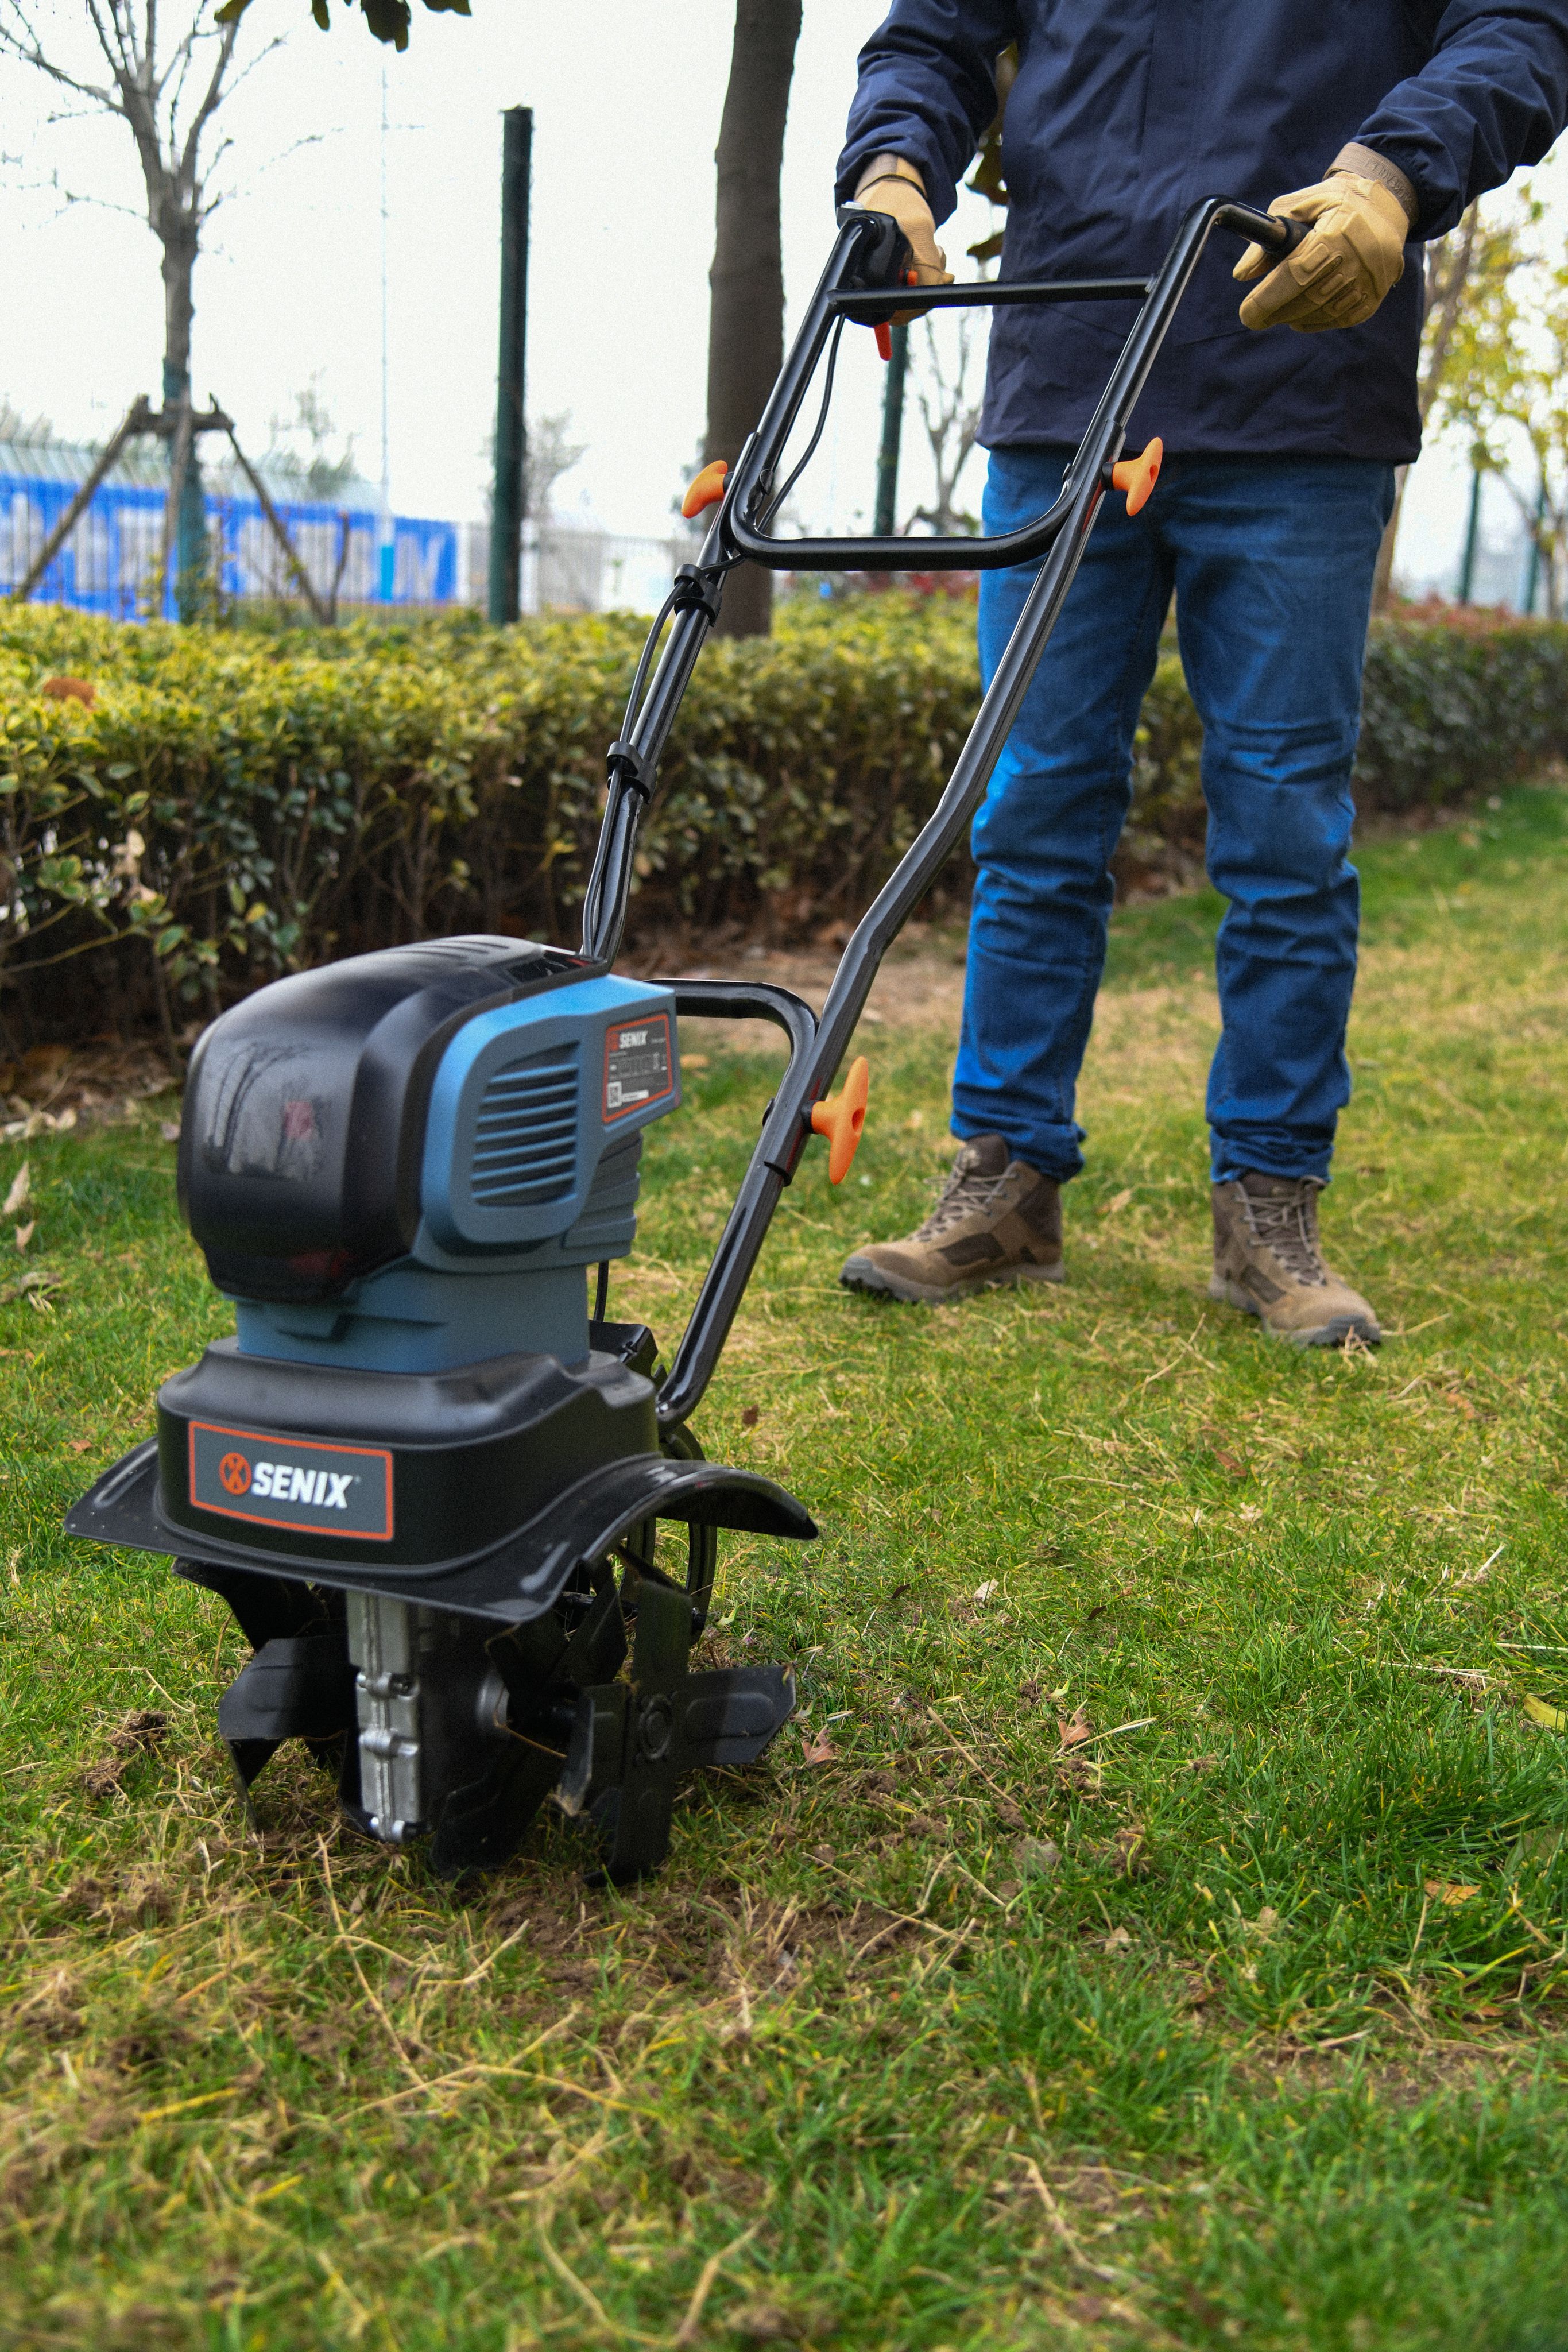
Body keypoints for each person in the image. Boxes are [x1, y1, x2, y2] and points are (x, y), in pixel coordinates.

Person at [834, 2, 1568, 1347]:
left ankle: (1266, 1206)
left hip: (1299, 378)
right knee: (1031, 808)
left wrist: (1388, 174)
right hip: (1072, 363)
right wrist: (892, 168)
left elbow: (1518, 27)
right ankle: (1004, 1175)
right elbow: (936, 30)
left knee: (1284, 822)